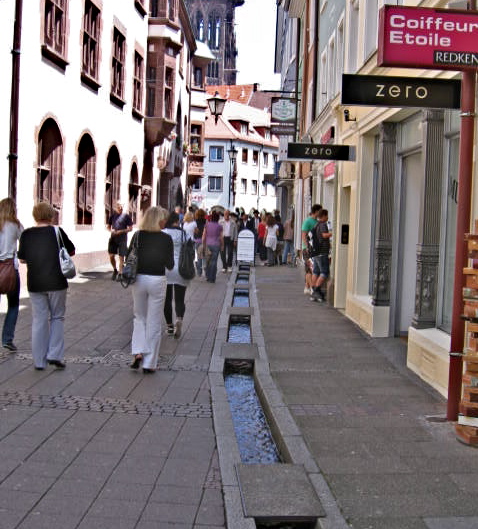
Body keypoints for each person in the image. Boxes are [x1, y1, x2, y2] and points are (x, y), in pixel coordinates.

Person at [17, 202, 75, 370]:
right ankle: (54, 354)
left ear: (35, 215)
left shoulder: (26, 234)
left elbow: (22, 259)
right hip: (56, 281)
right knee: (57, 317)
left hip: (35, 282)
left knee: (39, 320)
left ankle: (39, 361)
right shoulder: (56, 231)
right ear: (50, 215)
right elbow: (71, 251)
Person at [129, 206, 174, 373]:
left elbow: (129, 257)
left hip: (139, 279)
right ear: (158, 220)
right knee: (154, 321)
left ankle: (138, 351)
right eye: (163, 219)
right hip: (157, 279)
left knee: (139, 316)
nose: (165, 221)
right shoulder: (166, 239)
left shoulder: (138, 235)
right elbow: (170, 265)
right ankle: (149, 363)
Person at [162, 211, 191, 339]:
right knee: (180, 299)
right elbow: (190, 250)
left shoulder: (163, 233)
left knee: (167, 299)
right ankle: (179, 318)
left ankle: (169, 326)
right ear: (177, 221)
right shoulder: (184, 233)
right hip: (181, 268)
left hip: (166, 268)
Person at [0, 198, 23, 351]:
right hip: (10, 269)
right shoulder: (16, 225)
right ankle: (7, 339)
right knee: (13, 305)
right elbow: (25, 240)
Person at [107, 202, 133, 281]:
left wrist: (121, 231)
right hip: (113, 238)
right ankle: (115, 269)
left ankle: (120, 273)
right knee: (111, 255)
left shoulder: (126, 216)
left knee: (121, 256)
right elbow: (108, 227)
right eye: (118, 207)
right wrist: (111, 230)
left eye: (121, 207)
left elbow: (130, 228)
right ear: (115, 207)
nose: (120, 208)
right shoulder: (112, 216)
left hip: (122, 238)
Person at [310, 209, 332, 302]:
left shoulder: (316, 224)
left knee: (316, 271)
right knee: (324, 272)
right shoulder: (323, 225)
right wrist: (333, 233)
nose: (327, 217)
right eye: (326, 215)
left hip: (316, 251)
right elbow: (324, 235)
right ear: (323, 216)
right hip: (322, 252)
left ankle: (313, 291)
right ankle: (317, 290)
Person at [202, 210, 223, 283]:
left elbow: (204, 235)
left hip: (208, 244)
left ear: (211, 218)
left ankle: (207, 276)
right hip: (216, 245)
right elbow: (221, 237)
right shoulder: (219, 226)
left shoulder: (207, 225)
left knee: (207, 261)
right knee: (214, 262)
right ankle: (212, 278)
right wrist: (222, 245)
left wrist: (203, 244)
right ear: (218, 219)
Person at [194, 209, 207, 276]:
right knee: (204, 256)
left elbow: (194, 232)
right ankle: (205, 269)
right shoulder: (206, 222)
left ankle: (199, 272)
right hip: (204, 241)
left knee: (199, 257)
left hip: (197, 240)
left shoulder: (195, 222)